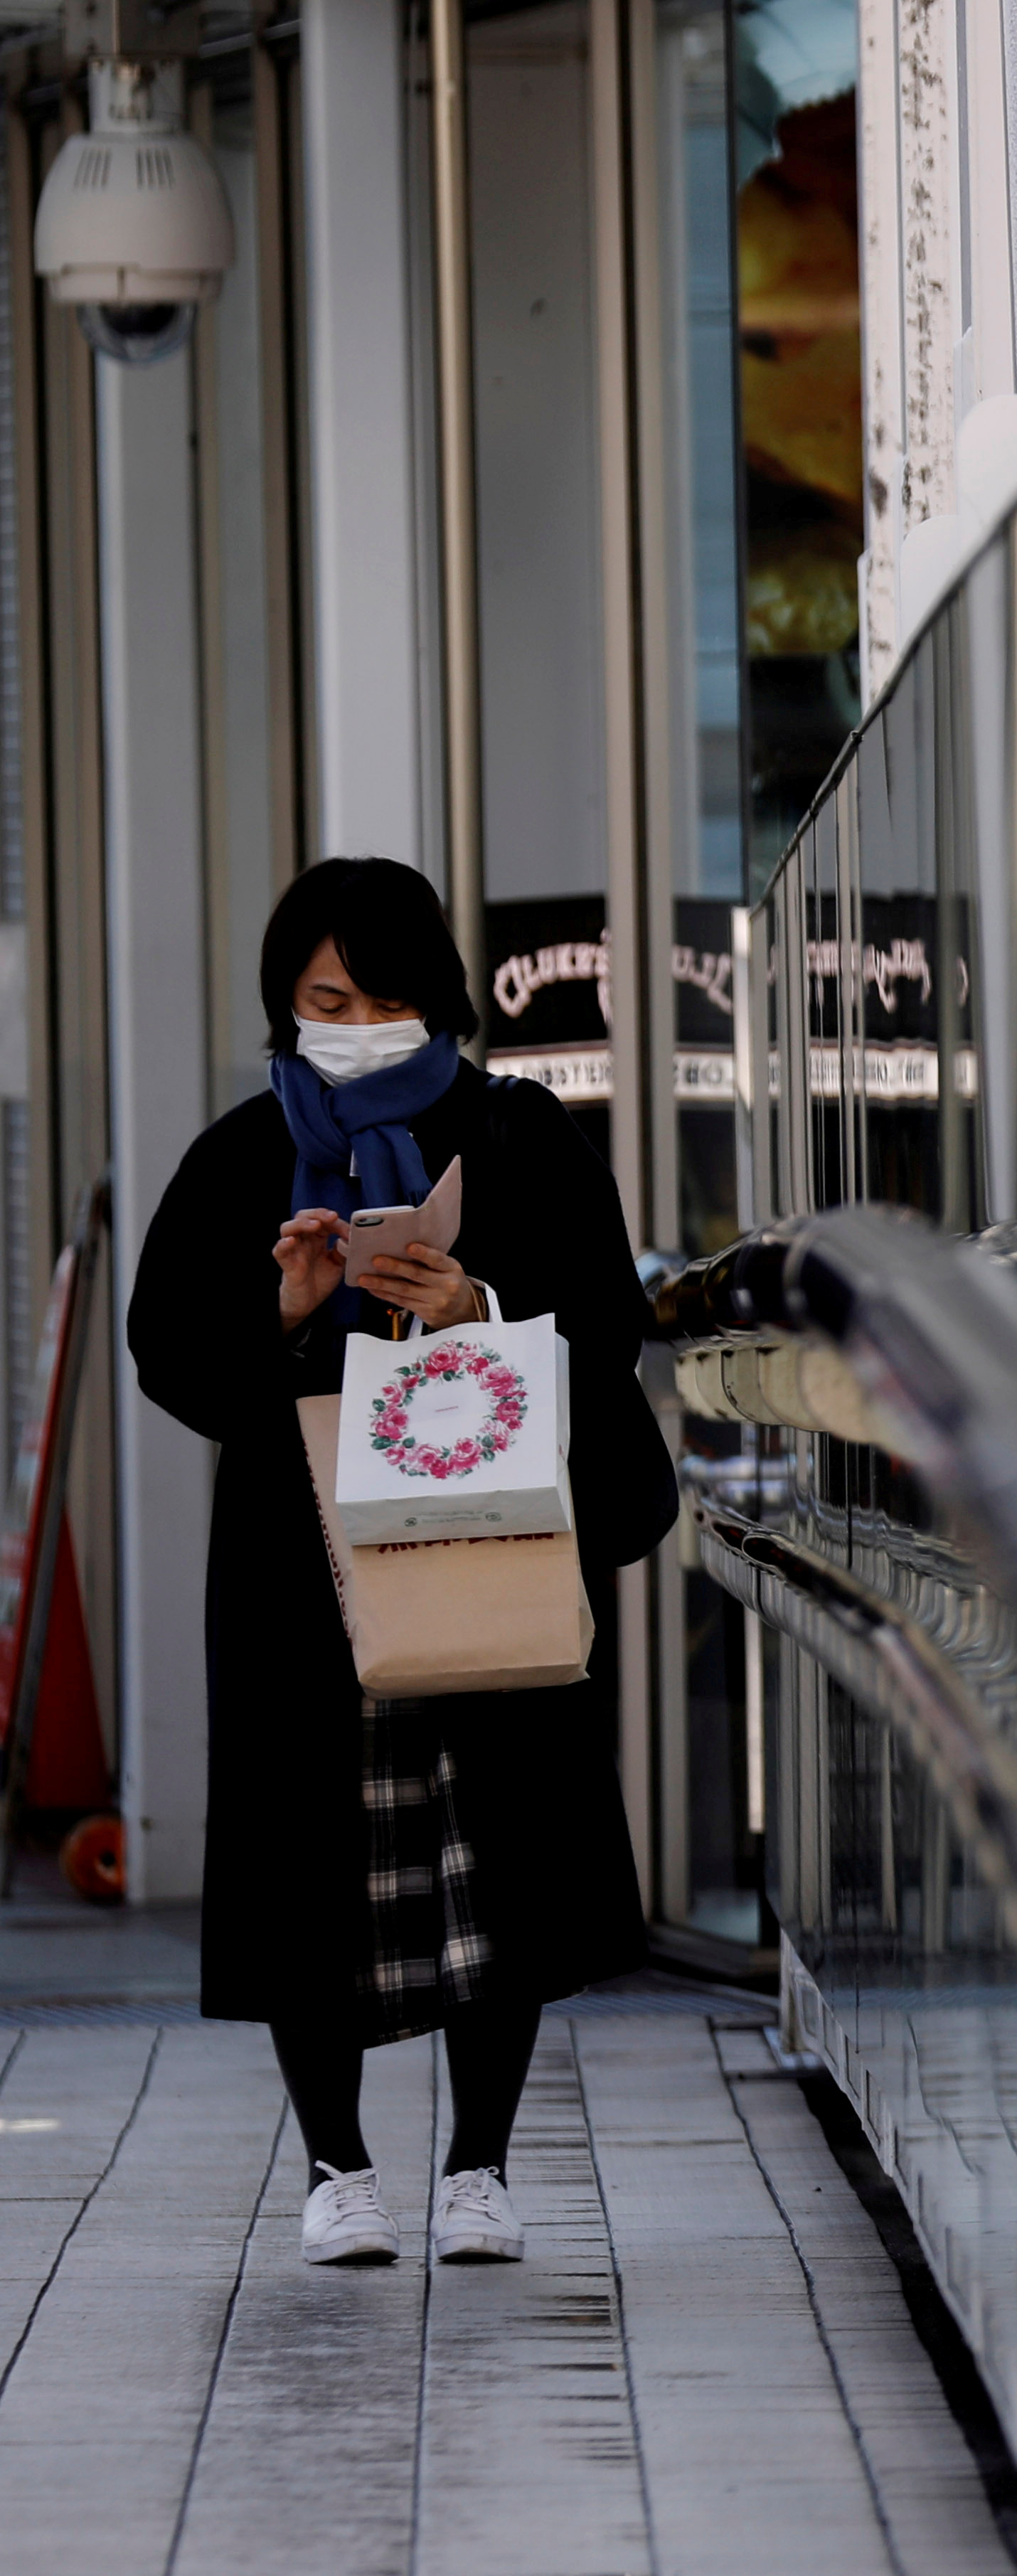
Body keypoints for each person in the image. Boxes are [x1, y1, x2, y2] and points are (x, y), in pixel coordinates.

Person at [124, 858, 683, 2269]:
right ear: (285, 1003)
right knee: (314, 1858)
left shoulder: (518, 1137)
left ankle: (480, 2164)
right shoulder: (243, 1153)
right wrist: (290, 1304)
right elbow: (170, 1352)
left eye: (381, 995)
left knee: (489, 1853)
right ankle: (336, 2166)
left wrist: (477, 1300)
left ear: (433, 999)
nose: (355, 1018)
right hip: (300, 1564)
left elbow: (608, 1321)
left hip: (478, 1539)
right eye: (326, 996)